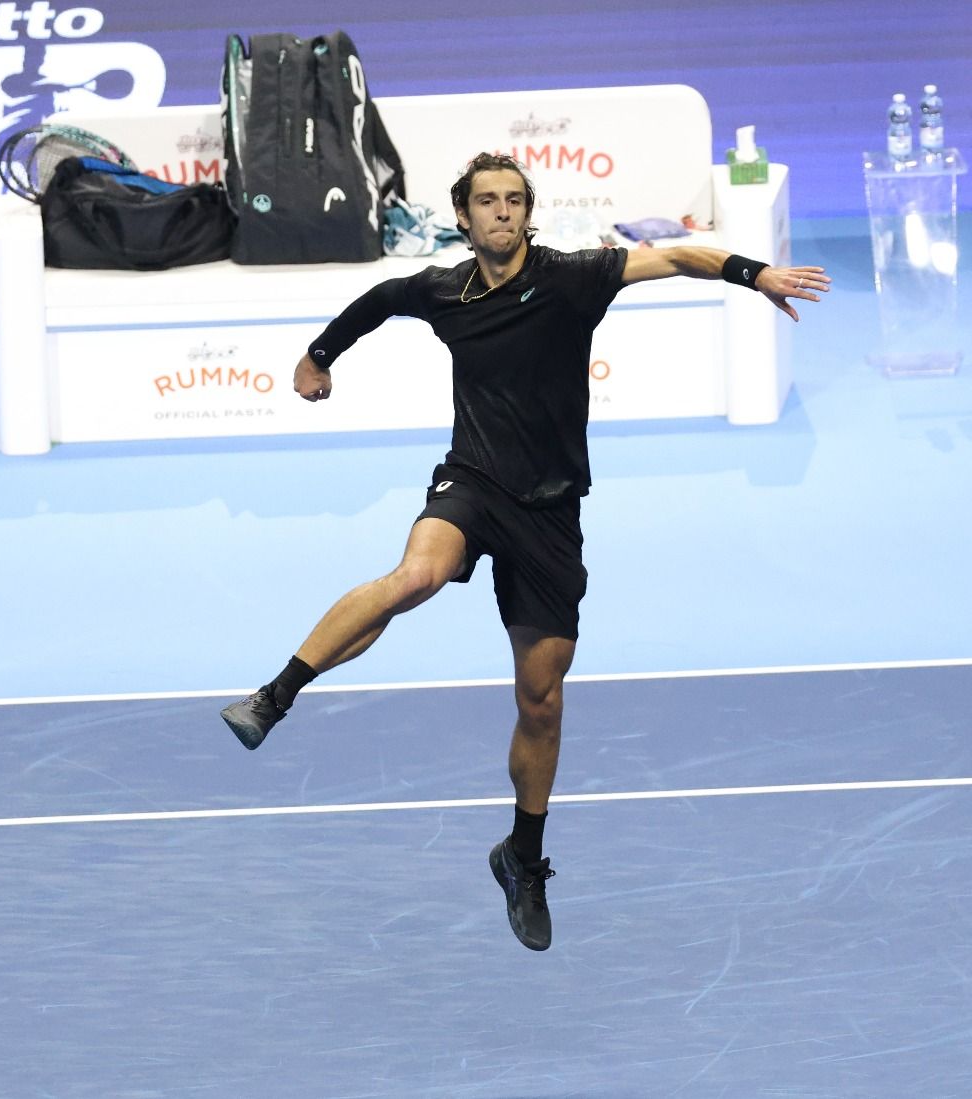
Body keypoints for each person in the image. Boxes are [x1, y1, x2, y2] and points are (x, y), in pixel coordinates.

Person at [221, 152, 831, 951]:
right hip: (472, 485)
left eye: (514, 200)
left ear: (527, 213)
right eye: (487, 201)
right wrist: (318, 357)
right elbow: (377, 301)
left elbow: (681, 254)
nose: (502, 211)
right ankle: (274, 695)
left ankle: (523, 854)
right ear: (464, 217)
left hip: (550, 512)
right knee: (418, 574)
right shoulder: (442, 291)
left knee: (541, 699)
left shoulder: (575, 277)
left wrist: (756, 275)